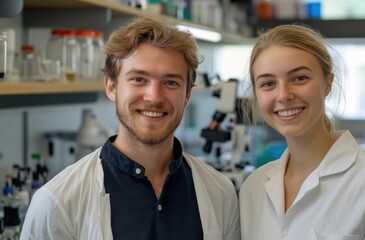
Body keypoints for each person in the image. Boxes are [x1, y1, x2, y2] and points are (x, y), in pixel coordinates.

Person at [20, 17, 240, 240]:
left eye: (171, 82)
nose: (154, 97)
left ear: (187, 95)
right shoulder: (57, 203)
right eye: (138, 79)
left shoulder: (220, 192)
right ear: (111, 86)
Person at [239, 24, 365, 240]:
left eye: (300, 78)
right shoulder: (253, 188)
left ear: (328, 83)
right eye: (268, 83)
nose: (283, 95)